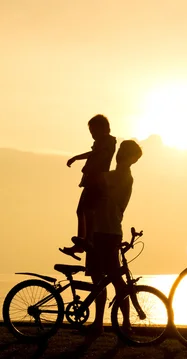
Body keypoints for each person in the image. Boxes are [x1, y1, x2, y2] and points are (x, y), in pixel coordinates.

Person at [81, 140, 143, 337]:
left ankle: (124, 323)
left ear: (131, 158)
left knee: (116, 280)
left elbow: (98, 180)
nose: (119, 155)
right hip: (100, 230)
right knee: (98, 279)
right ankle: (99, 323)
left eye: (124, 152)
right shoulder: (115, 174)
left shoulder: (123, 176)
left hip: (108, 232)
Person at [60, 115, 117, 257]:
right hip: (90, 181)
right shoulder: (100, 143)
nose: (92, 134)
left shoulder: (108, 141)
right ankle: (82, 241)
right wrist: (76, 158)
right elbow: (93, 154)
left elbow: (101, 156)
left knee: (88, 211)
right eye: (90, 131)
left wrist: (88, 165)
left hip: (97, 182)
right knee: (81, 211)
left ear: (103, 128)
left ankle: (88, 239)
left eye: (94, 130)